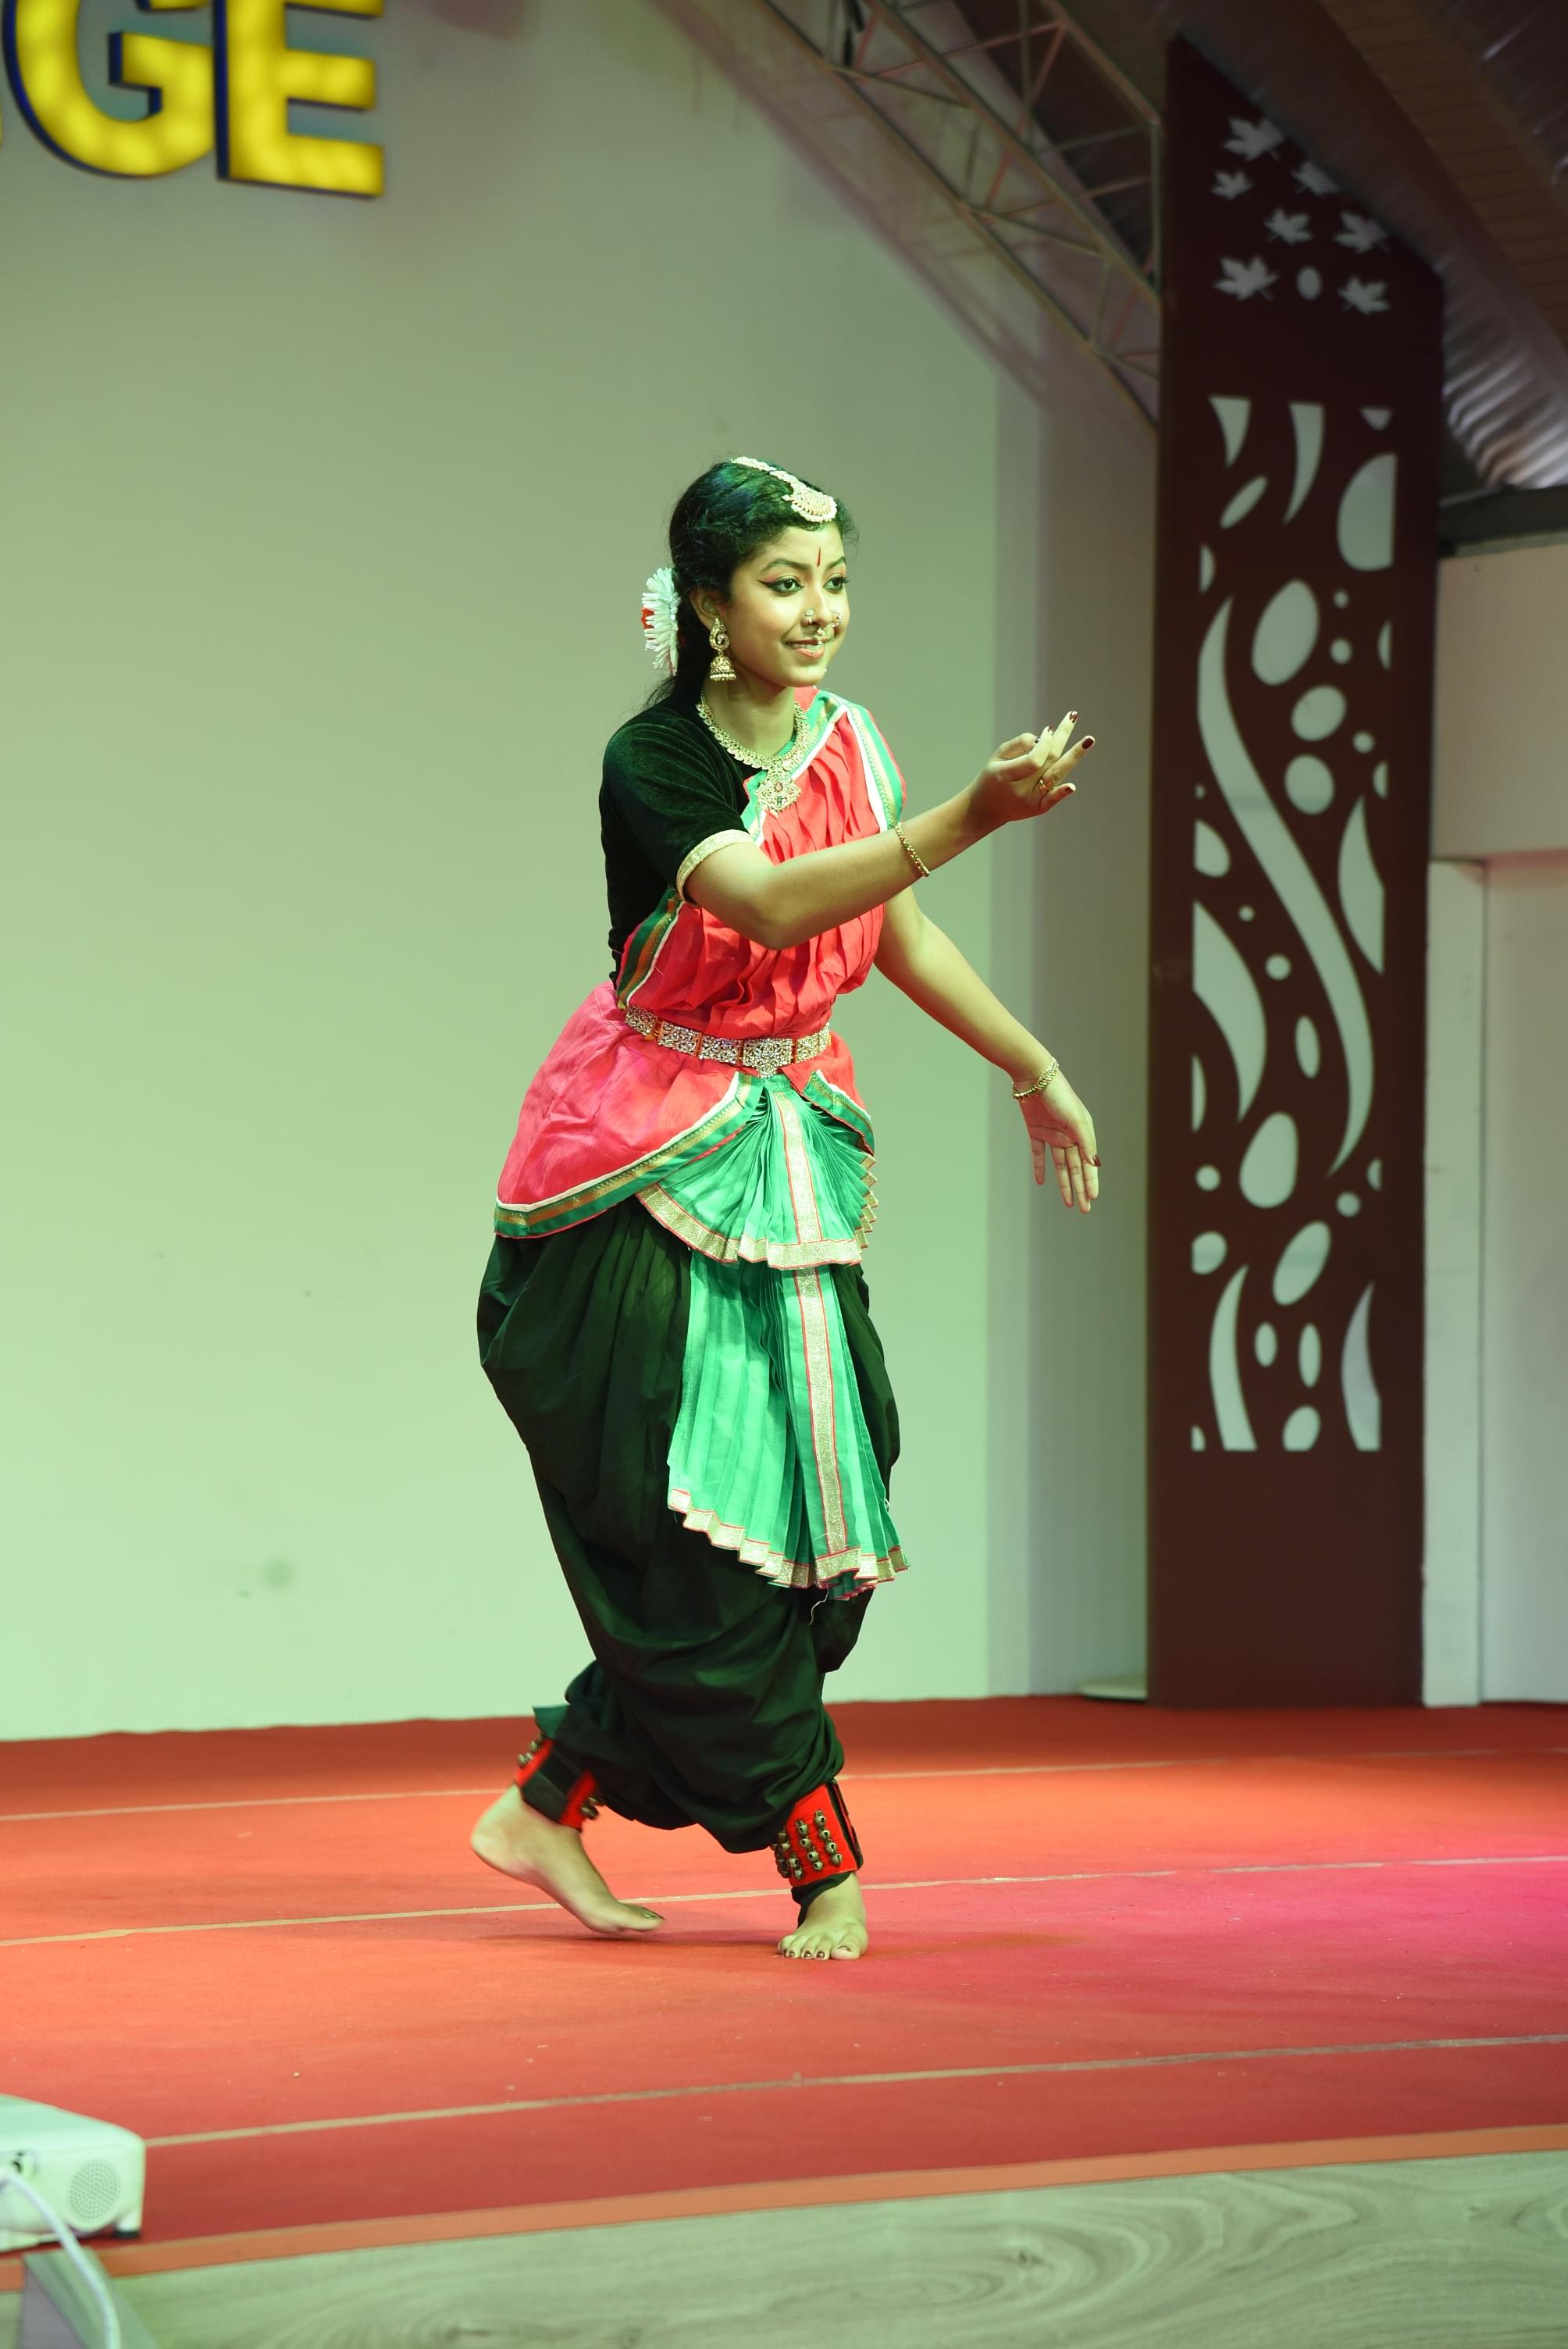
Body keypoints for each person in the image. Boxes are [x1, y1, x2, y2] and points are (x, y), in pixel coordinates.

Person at [470, 455, 1098, 1962]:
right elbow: (764, 903)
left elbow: (893, 932)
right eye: (783, 583)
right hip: (635, 1165)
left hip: (791, 1148)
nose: (818, 612)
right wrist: (973, 813)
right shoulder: (654, 759)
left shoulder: (851, 741)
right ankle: (821, 1863)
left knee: (825, 1500)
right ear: (709, 602)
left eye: (834, 582)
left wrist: (1034, 1065)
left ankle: (549, 1802)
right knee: (694, 1534)